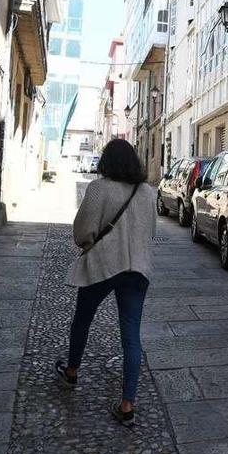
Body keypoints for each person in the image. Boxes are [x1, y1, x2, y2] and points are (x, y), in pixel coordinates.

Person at [55, 139, 156, 427]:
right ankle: (127, 404)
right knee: (131, 335)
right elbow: (150, 231)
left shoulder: (99, 188)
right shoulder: (146, 192)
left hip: (103, 264)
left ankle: (72, 372)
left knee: (83, 319)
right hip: (137, 269)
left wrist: (89, 244)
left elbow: (82, 230)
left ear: (106, 162)